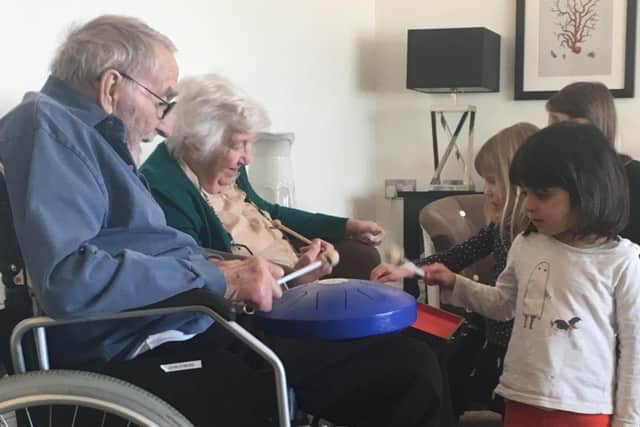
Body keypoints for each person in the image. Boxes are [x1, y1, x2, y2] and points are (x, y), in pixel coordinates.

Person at [0, 15, 443, 427]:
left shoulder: (91, 139)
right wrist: (218, 277)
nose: (163, 123)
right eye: (162, 99)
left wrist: (229, 268)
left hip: (188, 320)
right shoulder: (49, 128)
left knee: (407, 357)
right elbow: (69, 278)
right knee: (404, 369)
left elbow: (138, 253)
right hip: (153, 342)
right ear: (112, 85)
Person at [422, 122, 640, 427]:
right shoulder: (526, 244)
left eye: (542, 194)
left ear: (586, 190)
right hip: (522, 395)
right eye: (524, 193)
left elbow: (634, 347)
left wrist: (628, 420)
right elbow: (504, 303)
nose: (528, 205)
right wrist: (454, 283)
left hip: (585, 407)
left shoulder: (622, 260)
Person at [140, 73, 383, 282]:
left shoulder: (223, 168)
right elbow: (196, 270)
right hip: (255, 293)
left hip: (289, 266)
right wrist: (293, 278)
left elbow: (267, 213)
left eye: (250, 144)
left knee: (362, 255)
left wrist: (346, 226)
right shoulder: (163, 186)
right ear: (196, 144)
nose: (248, 159)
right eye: (239, 145)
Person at [371, 122, 537, 416]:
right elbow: (457, 255)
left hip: (518, 350)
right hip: (491, 336)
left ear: (521, 182)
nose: (486, 190)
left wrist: (455, 282)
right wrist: (407, 270)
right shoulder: (500, 228)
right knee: (445, 370)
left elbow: (509, 303)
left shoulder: (534, 239)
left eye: (493, 180)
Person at [546, 81, 640, 244]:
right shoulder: (557, 177)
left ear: (589, 124)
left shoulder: (635, 177)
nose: (548, 132)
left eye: (557, 122)